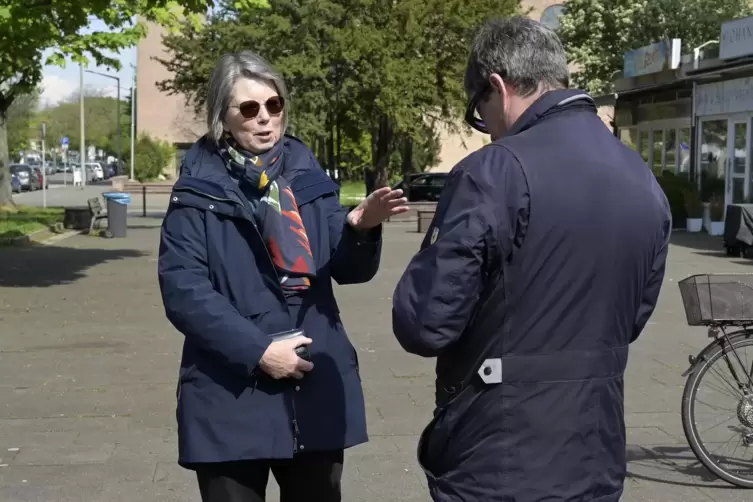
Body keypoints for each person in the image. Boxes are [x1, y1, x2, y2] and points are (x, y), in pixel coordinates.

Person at [392, 17, 671, 502]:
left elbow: (425, 323)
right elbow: (631, 318)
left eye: (479, 111)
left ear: (497, 87)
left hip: (497, 457)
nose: (485, 128)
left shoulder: (492, 172)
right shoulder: (641, 177)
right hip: (595, 451)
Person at [158, 51, 408, 502]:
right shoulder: (195, 192)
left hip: (313, 388)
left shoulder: (308, 176)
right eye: (249, 109)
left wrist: (360, 228)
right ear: (223, 116)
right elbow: (184, 291)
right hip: (230, 394)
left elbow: (349, 271)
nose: (265, 119)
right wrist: (259, 352)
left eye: (274, 105)